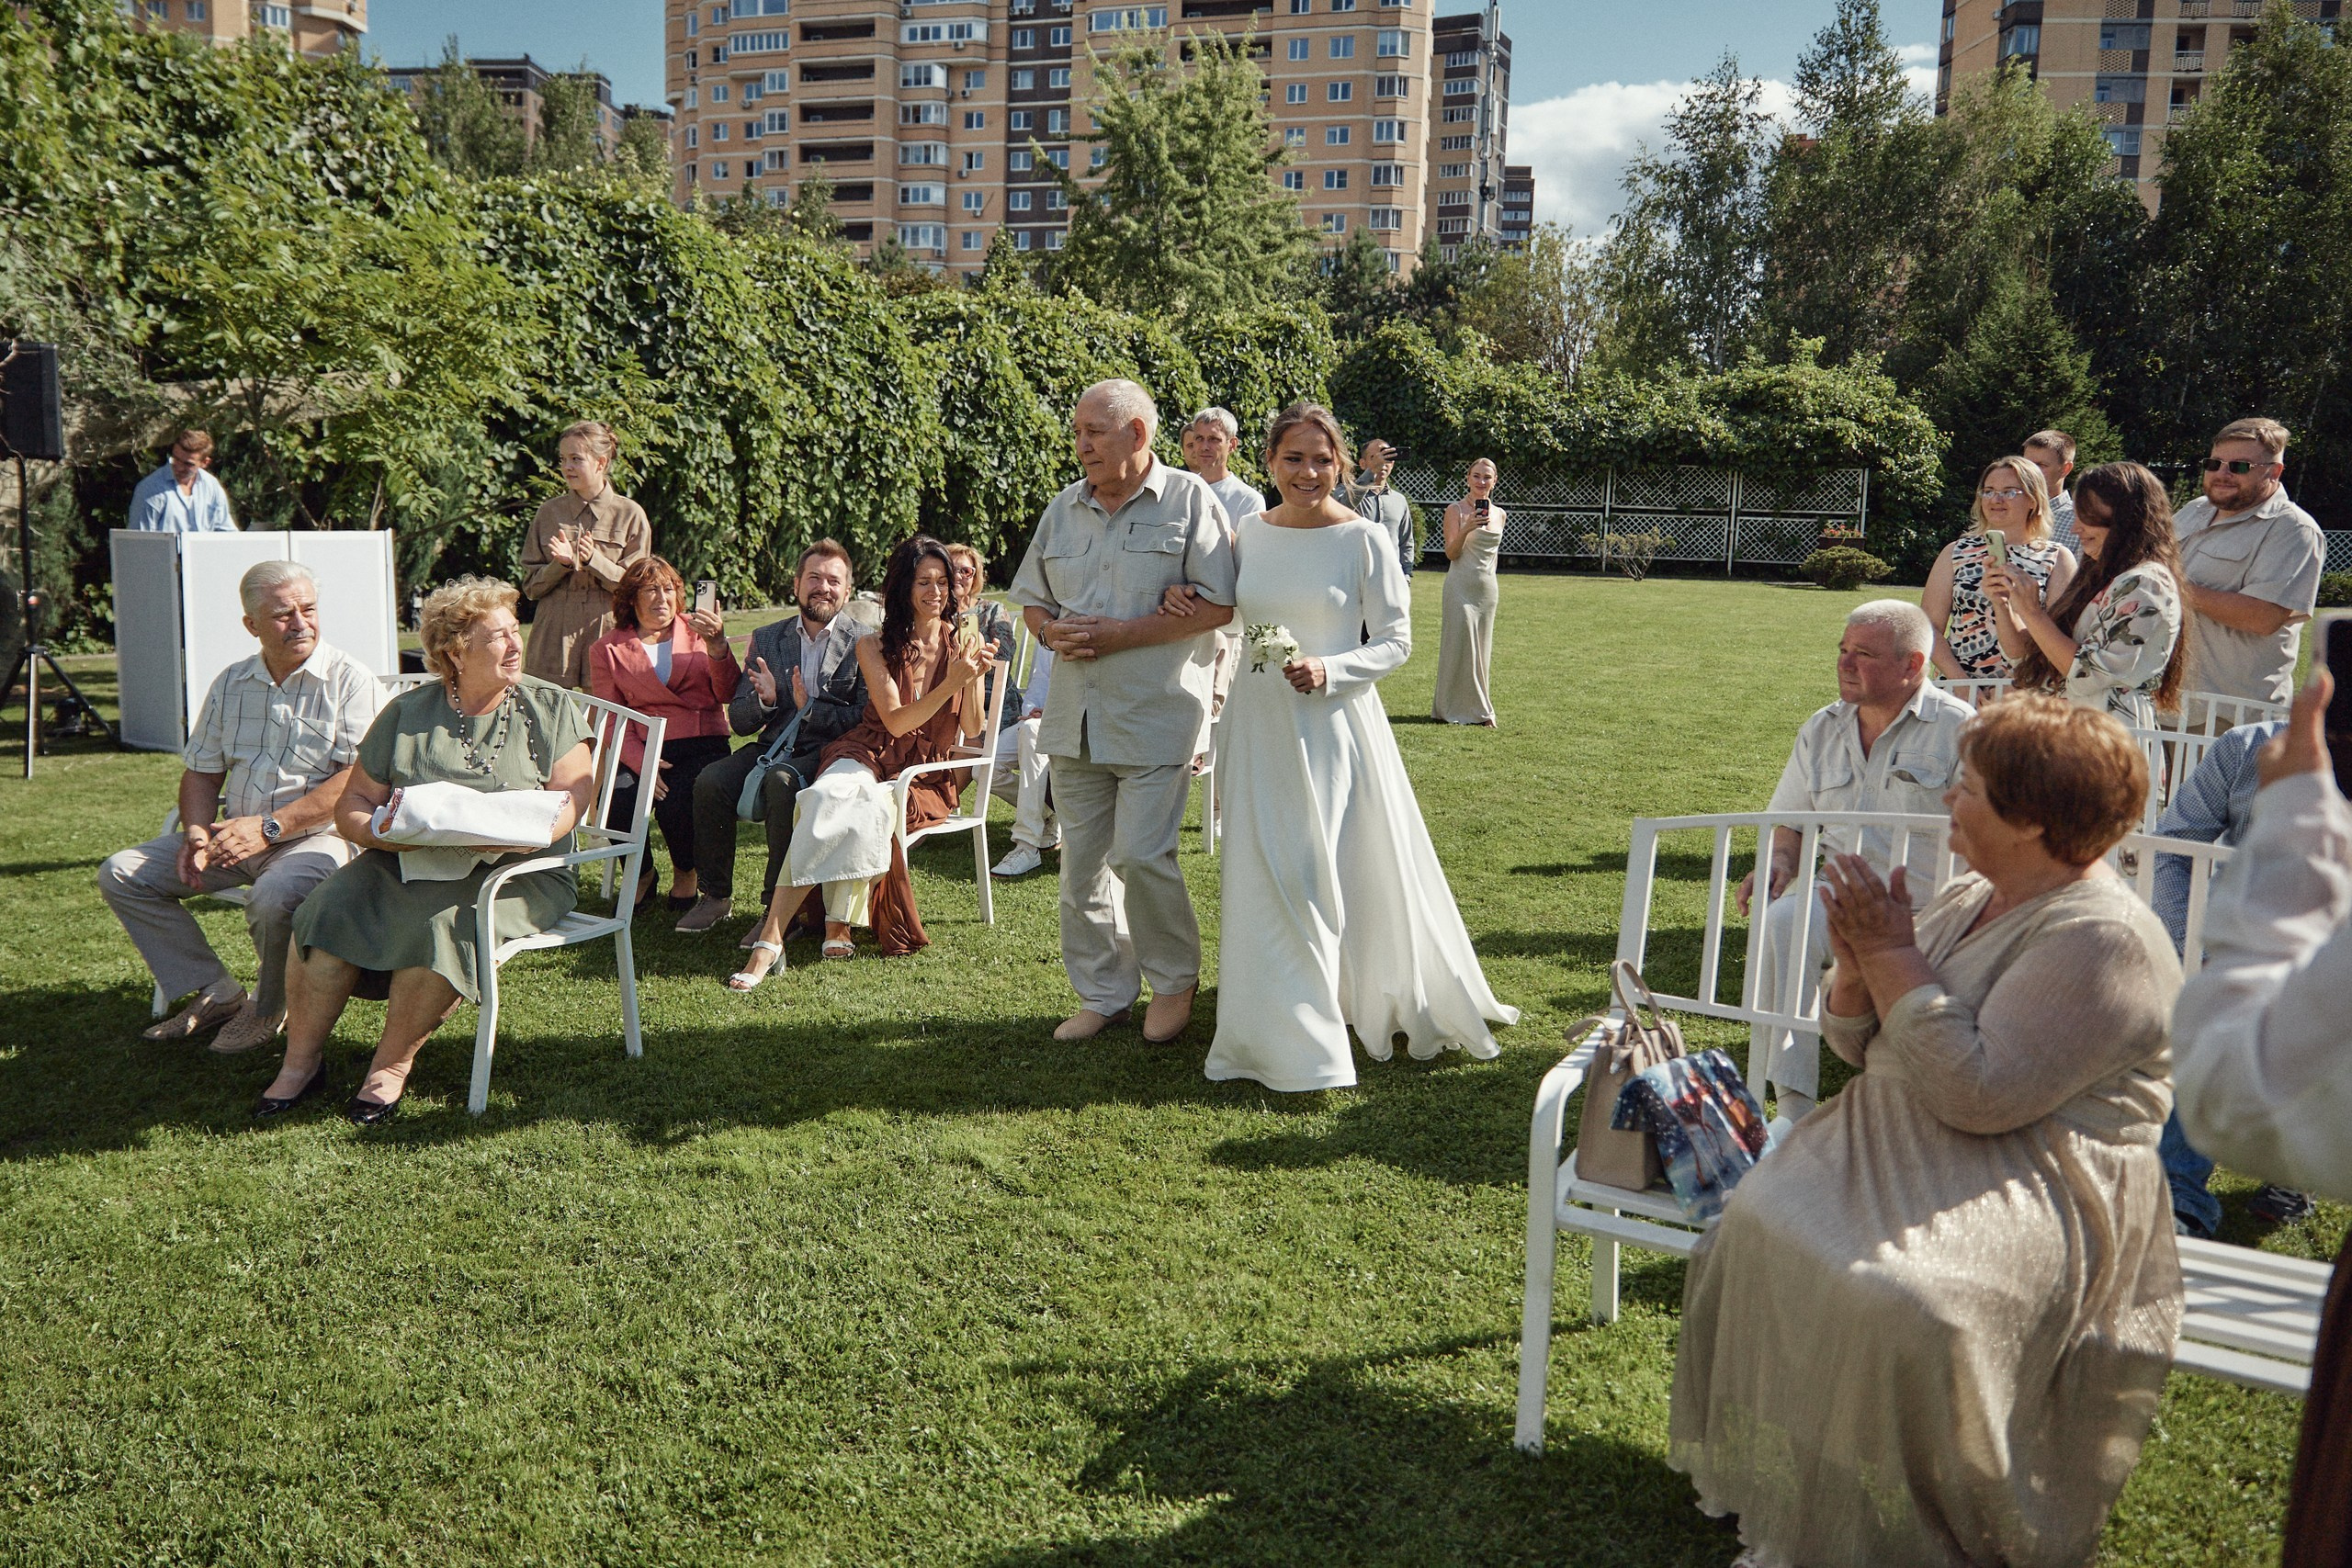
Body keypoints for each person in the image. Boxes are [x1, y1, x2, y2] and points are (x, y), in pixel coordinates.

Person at [1673, 694, 2183, 1568]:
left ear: (2030, 821)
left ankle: (1921, 1525)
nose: (1948, 796)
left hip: (2039, 1179)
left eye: (1970, 786)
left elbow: (1980, 1093)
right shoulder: (1970, 893)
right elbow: (1853, 1043)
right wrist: (1853, 964)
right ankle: (1809, 1481)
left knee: (1905, 1300)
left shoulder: (2107, 940)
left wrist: (1894, 956)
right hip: (1897, 1137)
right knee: (1755, 1224)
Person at [1184, 403, 1514, 1090]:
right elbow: (1247, 616)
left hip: (1333, 725)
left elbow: (1396, 640)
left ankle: (1311, 1035)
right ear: (1269, 462)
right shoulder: (1247, 531)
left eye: (1322, 458)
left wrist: (1331, 669)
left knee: (1312, 872)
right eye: (1294, 458)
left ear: (1341, 463)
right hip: (1258, 719)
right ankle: (1262, 1018)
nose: (1309, 472)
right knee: (1261, 863)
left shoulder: (1363, 539)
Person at [259, 578, 596, 1124]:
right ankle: (300, 1063)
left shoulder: (549, 708)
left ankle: (387, 1071)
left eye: (516, 631)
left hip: (517, 870)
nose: (515, 646)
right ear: (454, 651)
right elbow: (353, 808)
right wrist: (389, 833)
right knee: (324, 910)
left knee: (440, 925)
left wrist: (494, 836)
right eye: (497, 637)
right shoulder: (407, 712)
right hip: (404, 861)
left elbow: (571, 805)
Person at [2172, 671, 2352, 1566]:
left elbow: (2234, 1097)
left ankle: (2240, 1197)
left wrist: (2292, 835)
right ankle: (2178, 1202)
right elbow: (2177, 842)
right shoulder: (2236, 755)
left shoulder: (2284, 784)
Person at [1010, 378, 1237, 1044]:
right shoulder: (1063, 508)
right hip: (1073, 716)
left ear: (1137, 434)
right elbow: (1031, 599)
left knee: (1141, 854)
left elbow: (1221, 606)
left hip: (1157, 713)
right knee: (1081, 865)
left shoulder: (1190, 500)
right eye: (1077, 432)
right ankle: (1104, 993)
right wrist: (1049, 633)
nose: (1080, 445)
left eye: (1092, 432)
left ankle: (1173, 981)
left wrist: (1121, 634)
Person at [98, 560, 379, 1055]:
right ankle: (217, 991)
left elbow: (357, 780)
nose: (300, 623)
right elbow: (203, 771)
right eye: (282, 615)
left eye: (308, 609)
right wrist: (198, 834)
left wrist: (271, 827)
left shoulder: (350, 681)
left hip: (319, 840)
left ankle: (268, 1007)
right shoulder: (232, 682)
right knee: (123, 873)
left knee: (273, 900)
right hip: (236, 837)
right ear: (251, 626)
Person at [1735, 599, 1971, 1118]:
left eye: (1863, 654)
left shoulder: (1961, 730)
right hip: (1841, 899)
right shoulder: (1822, 728)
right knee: (1784, 921)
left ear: (1913, 666)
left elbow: (1989, 835)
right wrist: (1778, 860)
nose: (1844, 663)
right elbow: (1791, 823)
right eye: (1842, 650)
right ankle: (1792, 1109)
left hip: (1931, 911)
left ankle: (1915, 1106)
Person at [726, 536, 993, 987]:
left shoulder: (965, 640)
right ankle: (779, 935)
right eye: (923, 581)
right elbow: (893, 722)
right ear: (904, 588)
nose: (936, 592)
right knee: (824, 794)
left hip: (923, 773)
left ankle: (781, 937)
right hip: (868, 749)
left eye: (943, 581)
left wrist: (969, 678)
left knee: (851, 804)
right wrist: (952, 684)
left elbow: (972, 724)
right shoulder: (873, 646)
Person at [2147, 714, 2315, 1236]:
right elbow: (2175, 843)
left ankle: (2294, 1166)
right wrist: (2191, 944)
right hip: (2233, 941)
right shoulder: (2246, 747)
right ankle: (2180, 1196)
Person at [679, 541, 871, 935]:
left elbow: (866, 717)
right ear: (797, 584)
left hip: (829, 752)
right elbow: (741, 721)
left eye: (834, 580)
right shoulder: (768, 639)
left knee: (781, 784)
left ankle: (778, 910)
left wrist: (810, 707)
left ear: (847, 590)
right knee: (711, 781)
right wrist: (766, 701)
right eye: (814, 578)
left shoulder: (865, 641)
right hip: (772, 745)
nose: (824, 587)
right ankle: (715, 896)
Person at [586, 555, 740, 913]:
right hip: (644, 745)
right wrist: (643, 763)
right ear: (630, 599)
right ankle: (641, 873)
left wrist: (717, 647)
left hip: (702, 741)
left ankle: (685, 873)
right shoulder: (606, 649)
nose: (662, 598)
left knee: (677, 801)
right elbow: (611, 718)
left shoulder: (699, 631)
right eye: (651, 590)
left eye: (668, 589)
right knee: (617, 797)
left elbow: (728, 693)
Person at [1993, 460, 2186, 729]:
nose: (2075, 528)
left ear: (2128, 516)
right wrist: (2004, 603)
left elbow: (2086, 673)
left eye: (2088, 515)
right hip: (2070, 732)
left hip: (2108, 738)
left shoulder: (2147, 583)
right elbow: (2025, 654)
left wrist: (2032, 612)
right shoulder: (2098, 574)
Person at [2173, 416, 2324, 719]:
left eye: (2240, 467)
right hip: (2166, 705)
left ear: (2274, 472)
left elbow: (2263, 616)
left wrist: (2172, 587)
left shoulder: (2293, 530)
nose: (2222, 474)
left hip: (2229, 717)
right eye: (2214, 463)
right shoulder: (2193, 511)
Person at [1921, 456, 2076, 689]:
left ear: (2033, 500)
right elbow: (1928, 627)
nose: (1996, 499)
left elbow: (2059, 636)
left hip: (2027, 696)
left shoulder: (2057, 558)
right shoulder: (1956, 553)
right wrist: (1962, 685)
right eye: (1989, 491)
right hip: (1959, 694)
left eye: (2010, 492)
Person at [519, 421, 652, 690]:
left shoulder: (630, 515)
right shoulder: (548, 513)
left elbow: (635, 588)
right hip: (553, 634)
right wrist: (561, 564)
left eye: (576, 459)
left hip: (607, 630)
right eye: (563, 459)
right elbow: (531, 587)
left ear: (601, 462)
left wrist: (593, 560)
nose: (566, 467)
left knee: (606, 722)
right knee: (546, 718)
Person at [1431, 458, 1505, 727]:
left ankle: (1479, 710)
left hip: (1486, 591)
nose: (1481, 482)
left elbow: (1492, 558)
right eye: (1476, 476)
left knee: (1481, 651)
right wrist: (1467, 527)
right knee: (1458, 647)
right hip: (1459, 587)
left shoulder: (1500, 514)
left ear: (1494, 481)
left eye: (1487, 477)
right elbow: (1451, 553)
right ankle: (1448, 708)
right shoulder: (1455, 510)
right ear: (1468, 478)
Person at [989, 642, 1058, 878]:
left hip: (1072, 721)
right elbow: (1040, 678)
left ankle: (1027, 846)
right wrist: (1032, 709)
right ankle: (1053, 811)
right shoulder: (1048, 622)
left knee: (1031, 733)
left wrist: (1049, 712)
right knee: (985, 770)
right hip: (1036, 719)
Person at [125, 430, 237, 533]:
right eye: (176, 459)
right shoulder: (149, 488)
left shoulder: (211, 486)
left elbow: (226, 533)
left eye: (188, 464)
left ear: (204, 463)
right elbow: (141, 542)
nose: (179, 467)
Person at [1180, 407, 1266, 529]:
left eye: (1213, 439)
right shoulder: (1180, 491)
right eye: (1199, 439)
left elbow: (1250, 548)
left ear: (1232, 445)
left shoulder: (1248, 500)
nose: (1204, 447)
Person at [1345, 437, 1416, 580]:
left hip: (1391, 577)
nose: (1382, 463)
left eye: (1387, 458)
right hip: (1356, 576)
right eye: (1375, 457)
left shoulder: (1399, 500)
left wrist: (1406, 575)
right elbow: (1345, 506)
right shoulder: (1348, 492)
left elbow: (1405, 541)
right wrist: (1371, 472)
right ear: (1362, 464)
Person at [2023, 428, 2079, 554]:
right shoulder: (2007, 510)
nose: (2030, 472)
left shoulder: (2080, 520)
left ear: (2065, 469)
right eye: (2026, 464)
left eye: (2041, 465)